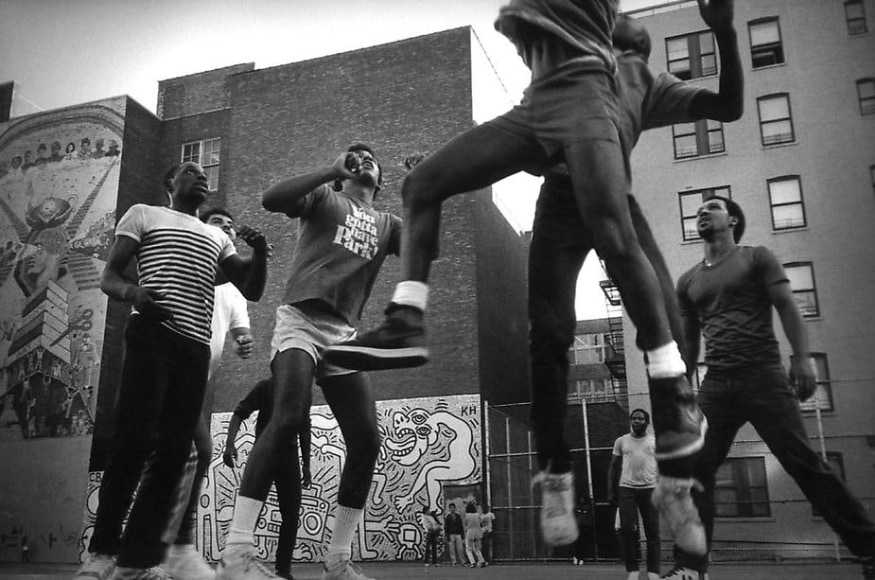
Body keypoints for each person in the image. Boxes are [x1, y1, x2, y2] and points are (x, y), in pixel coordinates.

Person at [326, 0, 737, 555]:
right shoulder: (566, 51)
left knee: (662, 316)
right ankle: (552, 470)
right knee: (545, 332)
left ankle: (677, 473)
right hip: (555, 186)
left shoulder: (643, 79)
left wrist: (723, 32)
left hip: (609, 185)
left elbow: (726, 104)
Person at [75, 161, 268, 580]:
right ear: (170, 183)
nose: (200, 176)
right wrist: (135, 292)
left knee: (176, 452)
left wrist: (262, 254)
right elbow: (109, 276)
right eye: (189, 170)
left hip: (194, 348)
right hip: (152, 333)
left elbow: (251, 288)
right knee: (133, 439)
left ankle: (136, 561)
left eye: (204, 173)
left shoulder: (217, 236)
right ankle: (102, 552)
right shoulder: (144, 214)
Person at [216, 144, 401, 580]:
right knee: (287, 417)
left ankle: (337, 559)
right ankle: (237, 552)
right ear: (344, 173)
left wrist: (424, 191)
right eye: (355, 155)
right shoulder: (324, 198)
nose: (365, 158)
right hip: (301, 318)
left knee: (366, 441)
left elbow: (426, 250)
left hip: (343, 333)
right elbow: (270, 199)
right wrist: (327, 171)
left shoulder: (388, 223)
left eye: (372, 156)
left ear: (382, 178)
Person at [671, 196, 875, 580]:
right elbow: (690, 339)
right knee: (694, 469)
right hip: (716, 383)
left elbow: (786, 303)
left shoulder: (756, 257)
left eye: (712, 206)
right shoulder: (689, 280)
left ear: (732, 220)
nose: (702, 210)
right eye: (699, 208)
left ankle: (869, 548)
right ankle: (691, 567)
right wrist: (683, 382)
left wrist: (801, 358)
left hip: (762, 374)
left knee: (805, 464)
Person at [161, 207, 256, 580]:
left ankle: (157, 550)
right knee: (195, 451)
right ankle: (174, 548)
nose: (227, 229)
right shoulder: (189, 263)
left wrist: (244, 342)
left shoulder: (233, 289)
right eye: (219, 223)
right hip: (164, 372)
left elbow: (240, 330)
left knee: (180, 458)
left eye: (230, 226)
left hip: (192, 386)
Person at [223, 377, 312, 580]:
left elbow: (305, 428)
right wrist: (229, 444)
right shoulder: (266, 386)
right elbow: (239, 412)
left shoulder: (303, 392)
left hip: (289, 458)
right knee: (250, 514)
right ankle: (239, 563)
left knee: (291, 514)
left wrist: (306, 465)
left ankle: (283, 570)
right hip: (264, 454)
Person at [608, 409, 660, 580]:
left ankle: (653, 571)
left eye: (640, 418)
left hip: (650, 489)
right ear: (630, 421)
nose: (637, 421)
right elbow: (613, 467)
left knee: (652, 532)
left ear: (647, 422)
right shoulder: (621, 441)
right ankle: (633, 570)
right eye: (634, 418)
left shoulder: (654, 441)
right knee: (627, 530)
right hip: (627, 489)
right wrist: (611, 491)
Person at [463, 502, 486, 568]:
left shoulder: (467, 515)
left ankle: (472, 562)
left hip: (470, 532)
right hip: (478, 532)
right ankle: (482, 560)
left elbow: (465, 524)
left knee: (468, 549)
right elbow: (481, 522)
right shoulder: (477, 515)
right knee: (477, 549)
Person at [442, 502, 465, 567]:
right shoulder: (448, 517)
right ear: (449, 509)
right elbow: (446, 527)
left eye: (453, 508)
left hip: (458, 534)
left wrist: (462, 534)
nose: (452, 509)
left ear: (455, 508)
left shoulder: (458, 516)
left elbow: (461, 526)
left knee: (460, 548)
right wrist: (447, 536)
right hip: (451, 534)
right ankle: (454, 561)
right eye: (451, 508)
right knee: (452, 549)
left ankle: (463, 561)